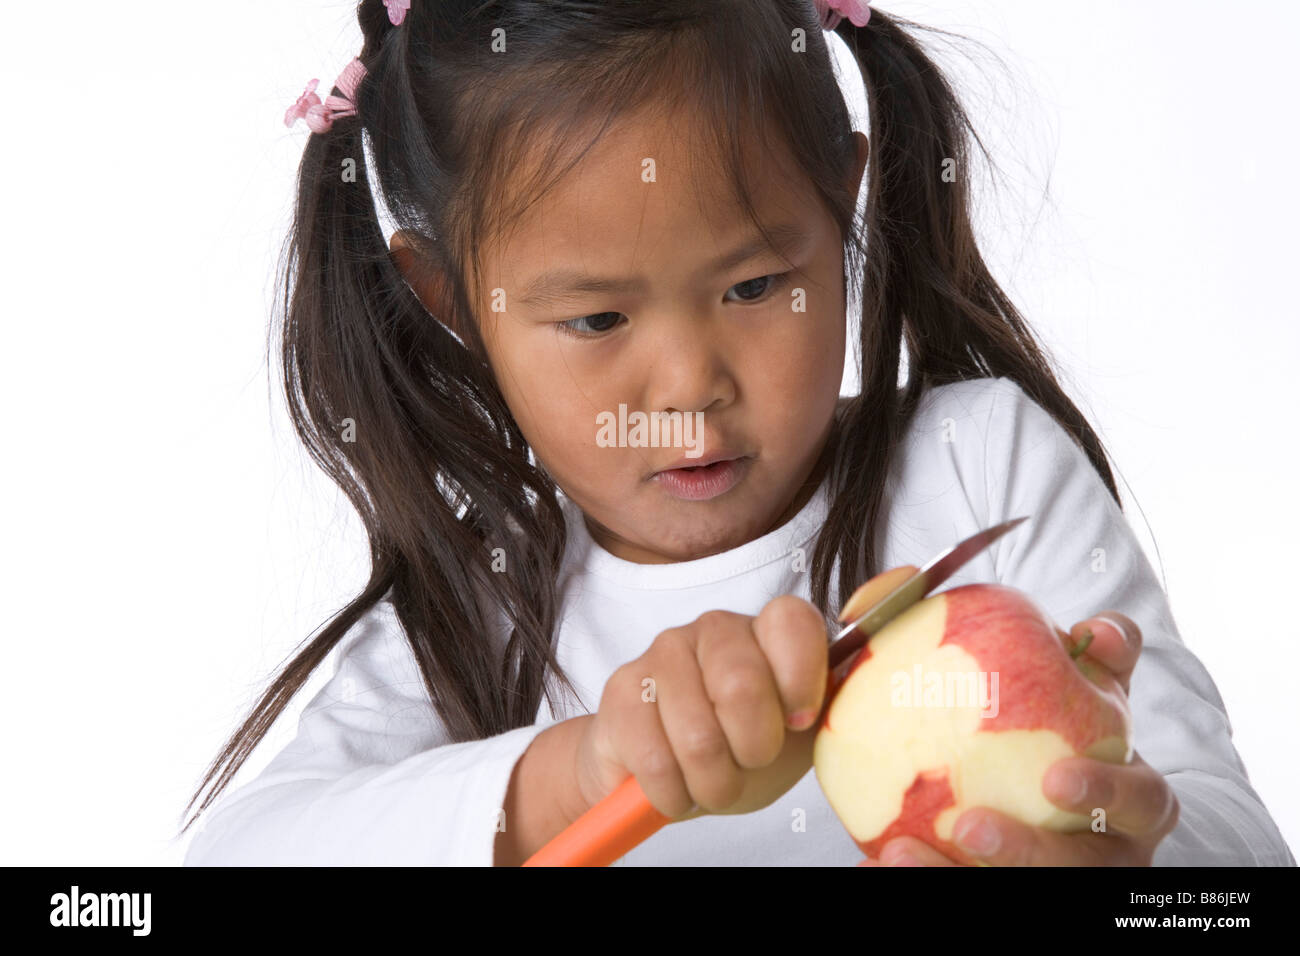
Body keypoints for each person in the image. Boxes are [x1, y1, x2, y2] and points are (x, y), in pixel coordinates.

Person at [178, 0, 1294, 866]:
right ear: (453, 300)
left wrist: (1128, 860)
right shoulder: (477, 601)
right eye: (599, 317)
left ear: (840, 209)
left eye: (757, 284)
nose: (688, 383)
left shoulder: (975, 468)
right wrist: (587, 765)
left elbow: (1233, 864)